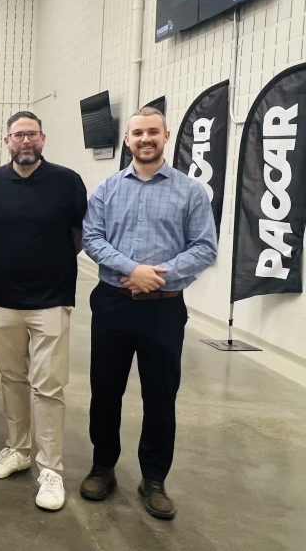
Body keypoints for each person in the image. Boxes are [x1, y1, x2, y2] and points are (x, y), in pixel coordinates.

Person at [81, 106, 217, 520]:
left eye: (152, 132)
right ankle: (103, 466)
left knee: (160, 396)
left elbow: (205, 247)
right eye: (138, 132)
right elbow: (92, 238)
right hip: (113, 304)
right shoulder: (107, 189)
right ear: (127, 139)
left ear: (166, 136)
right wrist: (132, 269)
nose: (145, 139)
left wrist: (157, 276)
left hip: (164, 309)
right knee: (106, 390)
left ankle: (154, 479)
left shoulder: (191, 192)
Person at [0, 111, 87, 512]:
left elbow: (78, 236)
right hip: (2, 300)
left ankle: (50, 469)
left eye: (32, 134)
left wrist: (47, 264)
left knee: (49, 387)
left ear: (43, 139)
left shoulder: (67, 182)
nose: (25, 141)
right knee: (11, 378)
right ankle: (17, 450)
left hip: (52, 299)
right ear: (7, 141)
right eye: (18, 135)